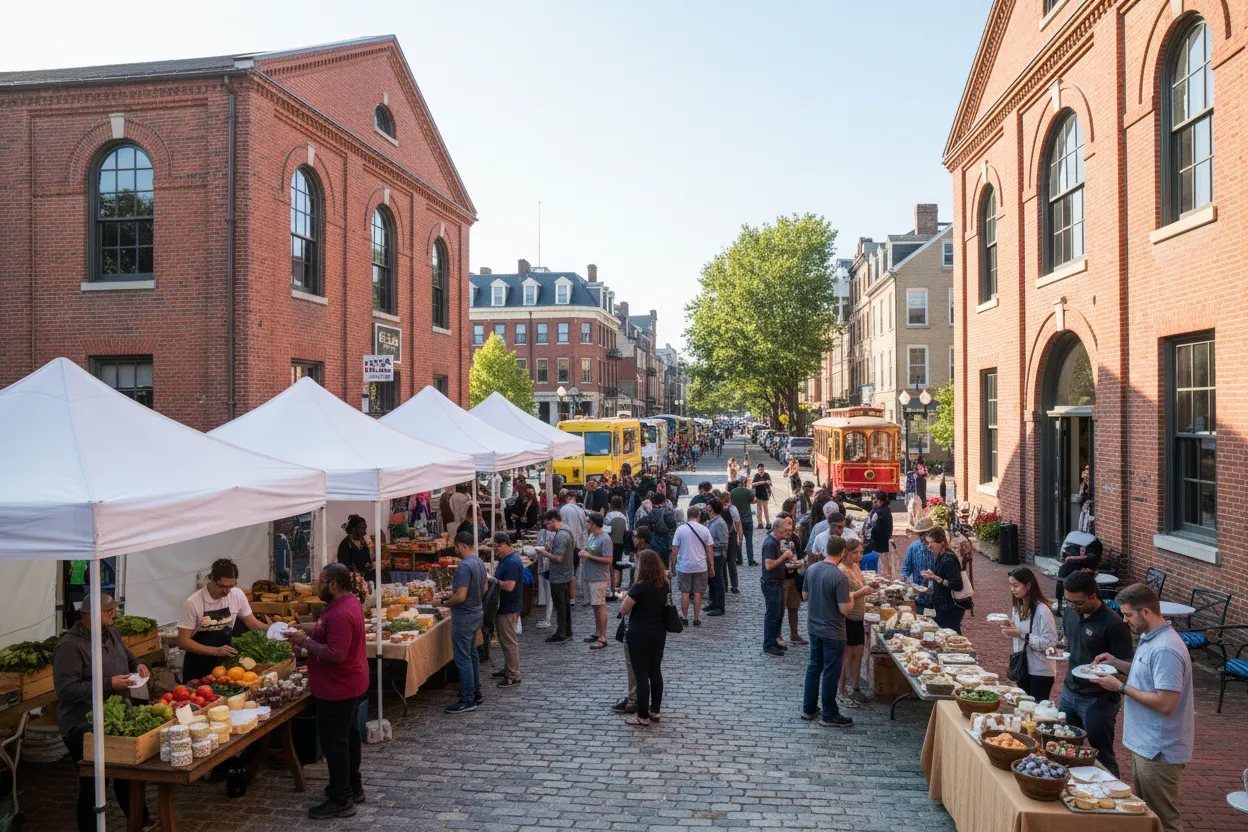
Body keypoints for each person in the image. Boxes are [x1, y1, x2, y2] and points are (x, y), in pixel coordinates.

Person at [1086, 583, 1193, 832]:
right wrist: (1116, 663)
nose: (1124, 620)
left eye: (1128, 615)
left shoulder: (1166, 648)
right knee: (1147, 816)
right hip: (1145, 744)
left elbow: (1166, 703)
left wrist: (1119, 688)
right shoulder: (1151, 638)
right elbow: (1146, 673)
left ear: (1145, 612)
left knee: (1164, 821)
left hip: (1159, 749)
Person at [53, 593, 151, 832]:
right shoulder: (70, 646)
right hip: (82, 724)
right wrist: (109, 684)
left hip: (114, 717)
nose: (114, 615)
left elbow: (127, 657)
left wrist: (137, 663)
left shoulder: (111, 634)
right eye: (109, 611)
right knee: (93, 782)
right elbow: (66, 690)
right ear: (91, 615)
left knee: (126, 772)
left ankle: (140, 822)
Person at [284, 563, 368, 817]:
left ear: (332, 584)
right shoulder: (348, 603)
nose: (317, 586)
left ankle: (342, 800)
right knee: (349, 738)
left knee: (336, 745)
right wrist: (304, 630)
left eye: (320, 581)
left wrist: (306, 642)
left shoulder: (339, 614)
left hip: (338, 688)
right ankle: (352, 786)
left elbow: (336, 654)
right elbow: (327, 630)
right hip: (348, 684)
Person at [1059, 570, 1135, 779]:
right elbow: (1068, 637)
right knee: (1063, 744)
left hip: (1098, 699)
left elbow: (1127, 664)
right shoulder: (1070, 612)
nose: (1073, 606)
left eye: (1078, 602)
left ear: (1094, 596)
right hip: (1069, 691)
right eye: (1069, 601)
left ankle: (1113, 791)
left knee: (1101, 753)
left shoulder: (1114, 624)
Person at [176, 557, 268, 683]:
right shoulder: (193, 603)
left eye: (231, 585)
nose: (227, 591)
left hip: (225, 665)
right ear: (212, 579)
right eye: (222, 586)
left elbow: (251, 622)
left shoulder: (237, 594)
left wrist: (275, 629)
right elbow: (183, 642)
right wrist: (215, 651)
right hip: (198, 666)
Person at [801, 536, 854, 728]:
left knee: (814, 667)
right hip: (833, 630)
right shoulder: (840, 577)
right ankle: (829, 713)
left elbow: (804, 596)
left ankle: (809, 708)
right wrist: (853, 598)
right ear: (842, 553)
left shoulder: (812, 569)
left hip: (814, 627)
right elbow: (844, 609)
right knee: (831, 671)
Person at [617, 550, 669, 727]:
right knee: (655, 670)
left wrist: (625, 596)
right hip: (658, 632)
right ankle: (655, 710)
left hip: (639, 633)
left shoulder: (640, 587)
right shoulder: (664, 584)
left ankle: (642, 715)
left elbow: (624, 609)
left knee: (641, 674)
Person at [438, 532, 488, 713]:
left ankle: (468, 699)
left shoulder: (464, 566)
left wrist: (444, 602)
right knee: (472, 654)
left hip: (464, 617)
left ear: (462, 545)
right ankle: (475, 692)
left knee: (463, 658)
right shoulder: (479, 562)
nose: (455, 549)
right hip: (476, 613)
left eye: (456, 546)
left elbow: (460, 596)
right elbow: (484, 588)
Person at [1001, 566, 1058, 702]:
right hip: (1022, 667)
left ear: (1028, 585)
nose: (1012, 589)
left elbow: (1050, 642)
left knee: (1035, 711)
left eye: (1016, 585)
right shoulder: (1018, 607)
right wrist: (1010, 626)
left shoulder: (1042, 611)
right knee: (1022, 707)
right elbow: (1019, 632)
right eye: (1010, 585)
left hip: (1040, 671)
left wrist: (1022, 634)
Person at [836, 538, 874, 709]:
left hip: (858, 616)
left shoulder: (856, 567)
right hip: (849, 617)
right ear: (846, 553)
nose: (859, 556)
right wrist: (862, 592)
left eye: (861, 552)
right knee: (847, 655)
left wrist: (869, 586)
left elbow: (861, 586)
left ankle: (856, 687)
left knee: (858, 652)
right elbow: (845, 596)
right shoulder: (842, 570)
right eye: (855, 553)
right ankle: (841, 691)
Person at [671, 505, 713, 626]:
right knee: (698, 592)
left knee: (684, 592)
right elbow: (709, 551)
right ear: (699, 516)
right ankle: (696, 617)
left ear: (688, 516)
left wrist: (673, 567)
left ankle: (684, 617)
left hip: (684, 565)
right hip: (700, 565)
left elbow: (674, 550)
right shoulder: (705, 530)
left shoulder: (680, 530)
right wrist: (711, 567)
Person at [491, 533, 524, 688]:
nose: (496, 550)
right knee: (505, 640)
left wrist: (494, 581)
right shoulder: (506, 559)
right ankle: (508, 669)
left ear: (505, 544)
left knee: (509, 641)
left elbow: (509, 586)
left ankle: (513, 675)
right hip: (504, 606)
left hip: (508, 606)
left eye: (498, 547)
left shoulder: (512, 562)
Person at [761, 516, 796, 656]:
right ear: (775, 530)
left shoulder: (776, 542)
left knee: (778, 614)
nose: (786, 534)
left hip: (777, 583)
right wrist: (784, 557)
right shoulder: (770, 543)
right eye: (783, 531)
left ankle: (774, 641)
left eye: (787, 531)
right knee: (772, 615)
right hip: (771, 584)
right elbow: (768, 566)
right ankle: (769, 644)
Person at [920, 528, 966, 632]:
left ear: (942, 542)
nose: (929, 546)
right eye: (928, 542)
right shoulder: (941, 555)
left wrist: (935, 577)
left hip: (951, 608)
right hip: (943, 606)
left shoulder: (948, 560)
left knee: (951, 636)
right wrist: (932, 586)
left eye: (932, 542)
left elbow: (958, 585)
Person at [581, 512, 614, 648]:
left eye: (588, 522)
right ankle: (597, 632)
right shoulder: (591, 536)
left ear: (593, 523)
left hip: (599, 577)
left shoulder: (605, 539)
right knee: (595, 605)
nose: (586, 525)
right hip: (590, 576)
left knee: (600, 605)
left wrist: (589, 556)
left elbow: (609, 560)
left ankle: (603, 637)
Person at [543, 510, 576, 643]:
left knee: (560, 605)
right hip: (566, 574)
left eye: (548, 523)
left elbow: (558, 558)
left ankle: (561, 632)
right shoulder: (567, 531)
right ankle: (567, 630)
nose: (547, 526)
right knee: (565, 604)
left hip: (559, 575)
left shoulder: (561, 535)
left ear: (553, 521)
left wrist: (543, 553)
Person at [1055, 537, 1104, 606]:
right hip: (1066, 576)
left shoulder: (1089, 555)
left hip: (1071, 576)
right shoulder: (1074, 557)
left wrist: (1070, 558)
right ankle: (1060, 603)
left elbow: (1089, 558)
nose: (1082, 551)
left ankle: (1061, 603)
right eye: (1081, 550)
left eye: (1084, 550)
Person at [901, 518, 937, 609]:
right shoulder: (913, 547)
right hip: (918, 596)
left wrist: (932, 583)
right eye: (920, 534)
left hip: (936, 597)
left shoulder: (938, 548)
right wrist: (905, 580)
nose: (922, 537)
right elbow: (906, 567)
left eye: (925, 534)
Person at [559, 490, 587, 604]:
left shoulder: (563, 510)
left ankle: (568, 595)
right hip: (577, 544)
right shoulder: (580, 510)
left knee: (566, 570)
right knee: (574, 571)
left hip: (566, 543)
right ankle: (572, 597)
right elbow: (584, 529)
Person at [704, 498, 729, 617]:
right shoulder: (711, 521)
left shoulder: (720, 523)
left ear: (712, 508)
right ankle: (714, 602)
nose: (706, 508)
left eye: (708, 506)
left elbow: (723, 542)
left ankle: (720, 606)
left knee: (718, 581)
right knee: (711, 580)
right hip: (711, 555)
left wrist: (710, 545)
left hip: (718, 556)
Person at [605, 496, 629, 601]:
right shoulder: (623, 516)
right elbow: (627, 530)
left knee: (610, 566)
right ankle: (617, 588)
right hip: (621, 542)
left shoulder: (609, 515)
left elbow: (605, 530)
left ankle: (611, 589)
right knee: (618, 565)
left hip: (610, 542)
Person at [730, 478, 757, 566]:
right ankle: (750, 560)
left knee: (738, 540)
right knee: (749, 540)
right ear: (744, 484)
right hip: (747, 519)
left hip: (736, 520)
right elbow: (755, 500)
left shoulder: (732, 492)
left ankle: (739, 559)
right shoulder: (747, 491)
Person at [646, 492, 677, 568]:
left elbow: (649, 528)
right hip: (666, 543)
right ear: (663, 502)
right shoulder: (667, 513)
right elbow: (674, 528)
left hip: (654, 541)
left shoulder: (650, 513)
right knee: (665, 566)